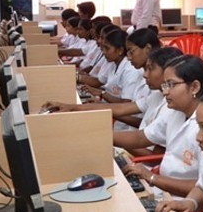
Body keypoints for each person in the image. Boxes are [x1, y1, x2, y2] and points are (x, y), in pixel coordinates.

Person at [47, 45, 183, 154]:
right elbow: (121, 109)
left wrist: (100, 135)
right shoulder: (156, 95)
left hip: (141, 162)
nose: (145, 75)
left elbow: (153, 156)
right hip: (132, 149)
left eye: (150, 70)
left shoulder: (173, 107)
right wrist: (72, 107)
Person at [119, 54, 203, 197]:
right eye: (165, 85)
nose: (165, 91)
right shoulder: (175, 112)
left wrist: (152, 177)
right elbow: (140, 137)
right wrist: (100, 135)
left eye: (171, 85)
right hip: (162, 190)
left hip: (184, 205)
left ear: (194, 87)